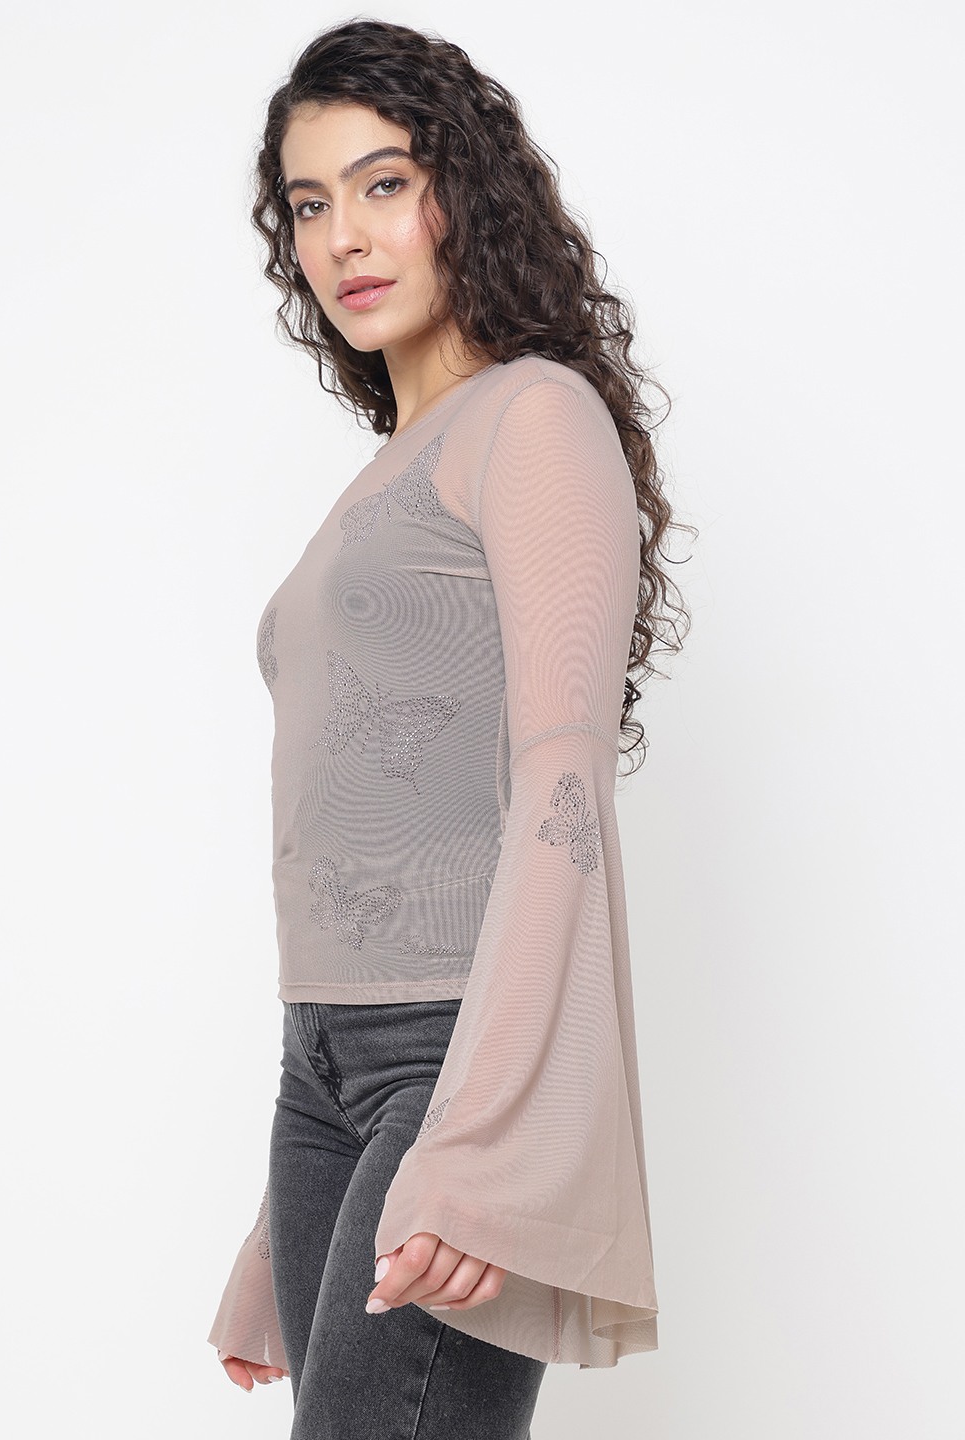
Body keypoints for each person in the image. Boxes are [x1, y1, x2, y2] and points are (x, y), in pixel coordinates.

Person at [208, 17, 693, 1437]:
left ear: (464, 192)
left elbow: (561, 792)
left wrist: (491, 1135)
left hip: (452, 1057)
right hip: (321, 1072)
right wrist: (277, 1227)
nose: (344, 237)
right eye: (309, 204)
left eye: (384, 184)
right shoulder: (390, 467)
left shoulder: (531, 418)